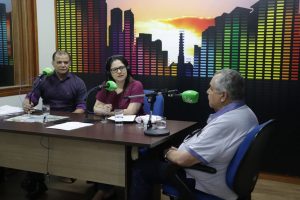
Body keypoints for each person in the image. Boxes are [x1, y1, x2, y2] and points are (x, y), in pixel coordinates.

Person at [129, 69, 259, 200]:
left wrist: (167, 152)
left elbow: (183, 160)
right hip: (214, 171)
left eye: (211, 88)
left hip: (202, 179)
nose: (207, 91)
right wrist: (179, 152)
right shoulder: (246, 113)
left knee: (141, 169)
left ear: (223, 96)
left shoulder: (227, 122)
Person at [21, 50, 87, 199]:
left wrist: (69, 120)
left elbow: (82, 107)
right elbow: (33, 98)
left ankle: (66, 170)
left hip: (70, 123)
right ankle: (36, 182)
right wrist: (27, 103)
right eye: (59, 62)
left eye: (65, 62)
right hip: (47, 120)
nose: (63, 65)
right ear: (53, 64)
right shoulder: (43, 79)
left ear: (70, 63)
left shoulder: (78, 82)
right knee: (34, 146)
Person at [91, 55, 144, 200]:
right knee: (99, 150)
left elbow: (131, 112)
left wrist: (108, 111)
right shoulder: (107, 85)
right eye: (114, 70)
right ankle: (104, 188)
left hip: (132, 131)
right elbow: (96, 108)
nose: (119, 72)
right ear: (110, 73)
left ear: (127, 68)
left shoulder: (136, 85)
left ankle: (109, 189)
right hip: (111, 129)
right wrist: (104, 110)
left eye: (121, 68)